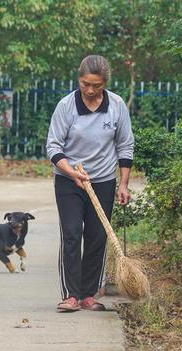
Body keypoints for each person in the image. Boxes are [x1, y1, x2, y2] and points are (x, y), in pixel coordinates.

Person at [46, 55, 134, 312]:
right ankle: (71, 295)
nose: (91, 90)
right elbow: (53, 146)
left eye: (97, 85)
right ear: (79, 79)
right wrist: (71, 172)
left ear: (105, 82)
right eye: (86, 84)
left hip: (103, 181)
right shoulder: (66, 106)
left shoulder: (116, 105)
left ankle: (88, 295)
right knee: (72, 234)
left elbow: (125, 144)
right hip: (69, 181)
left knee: (97, 237)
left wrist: (123, 184)